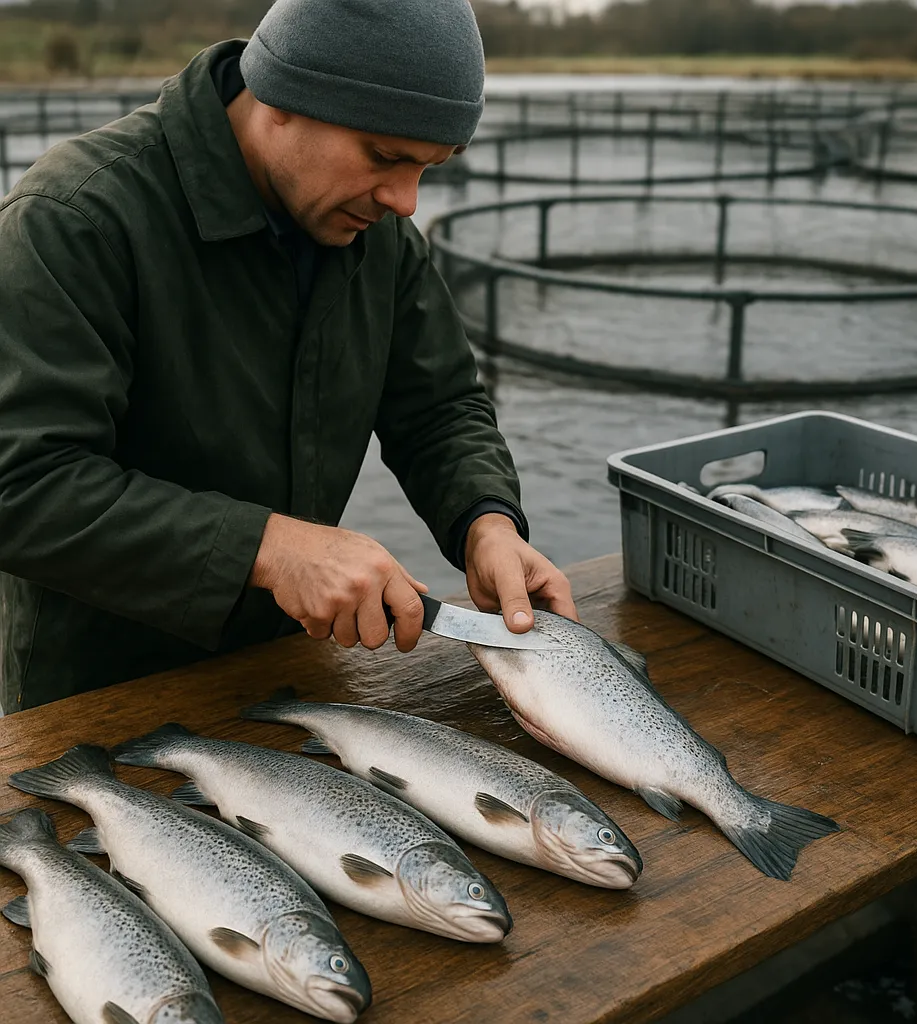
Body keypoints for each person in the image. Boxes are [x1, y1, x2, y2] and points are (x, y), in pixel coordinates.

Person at [0, 0, 577, 713]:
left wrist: (485, 522)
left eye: (431, 167)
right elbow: (22, 488)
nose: (405, 201)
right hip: (96, 702)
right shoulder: (74, 220)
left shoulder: (378, 238)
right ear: (282, 99)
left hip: (290, 677)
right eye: (386, 158)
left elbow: (439, 408)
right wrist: (269, 549)